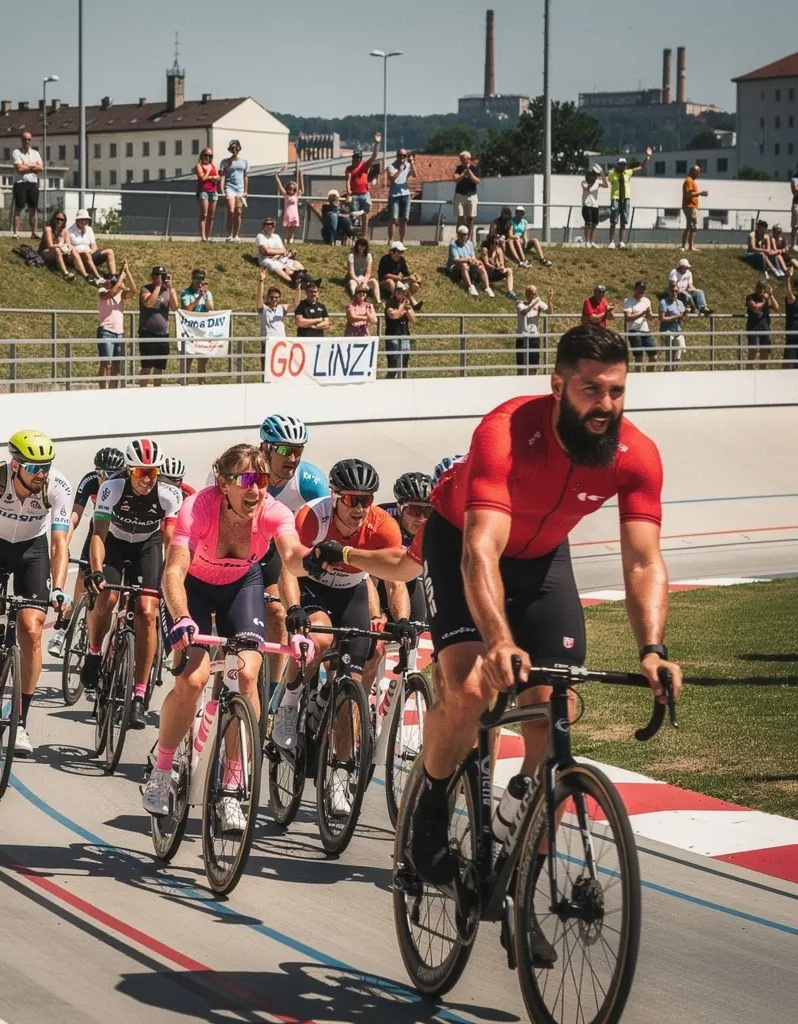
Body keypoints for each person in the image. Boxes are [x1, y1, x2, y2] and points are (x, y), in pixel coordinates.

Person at [305, 323, 683, 962]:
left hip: (541, 562)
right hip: (464, 542)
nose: (606, 405)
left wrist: (653, 648)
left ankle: (520, 876)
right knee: (472, 684)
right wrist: (500, 640)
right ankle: (429, 808)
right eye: (592, 390)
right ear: (557, 386)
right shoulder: (506, 432)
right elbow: (480, 549)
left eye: (617, 391)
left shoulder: (635, 454)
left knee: (555, 708)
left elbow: (643, 559)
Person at [142, 443, 311, 822]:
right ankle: (162, 770)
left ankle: (232, 787)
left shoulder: (274, 511)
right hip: (193, 590)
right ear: (223, 483)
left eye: (262, 480)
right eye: (246, 480)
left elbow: (291, 558)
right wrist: (181, 617)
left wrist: (315, 563)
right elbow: (174, 572)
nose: (256, 489)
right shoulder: (198, 508)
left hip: (241, 586)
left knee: (248, 677)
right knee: (192, 680)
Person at [272, 459, 409, 804]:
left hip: (351, 592)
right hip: (312, 587)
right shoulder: (311, 517)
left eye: (366, 500)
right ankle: (288, 704)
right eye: (351, 500)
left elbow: (395, 580)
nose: (359, 508)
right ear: (334, 496)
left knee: (351, 686)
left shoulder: (383, 526)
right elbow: (289, 567)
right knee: (318, 640)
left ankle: (340, 773)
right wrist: (293, 607)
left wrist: (403, 618)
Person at [0, 430, 72, 756]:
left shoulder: (58, 486)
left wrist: (59, 588)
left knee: (32, 630)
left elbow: (59, 543)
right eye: (34, 468)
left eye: (46, 467)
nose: (41, 474)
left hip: (32, 551)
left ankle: (19, 721)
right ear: (16, 464)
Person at [82, 438, 182, 728]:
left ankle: (138, 694)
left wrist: (171, 578)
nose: (147, 479)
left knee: (147, 612)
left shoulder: (169, 494)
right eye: (140, 472)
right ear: (129, 471)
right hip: (114, 542)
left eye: (153, 472)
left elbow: (170, 541)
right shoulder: (111, 488)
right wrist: (97, 571)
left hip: (146, 547)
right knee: (108, 597)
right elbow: (98, 534)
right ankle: (94, 652)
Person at [251, 415, 330, 685]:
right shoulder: (247, 471)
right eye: (285, 450)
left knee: (277, 612)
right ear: (266, 447)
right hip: (244, 544)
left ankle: (274, 688)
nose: (293, 458)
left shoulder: (310, 481)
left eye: (298, 450)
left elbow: (327, 524)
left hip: (283, 548)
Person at [47, 445, 126, 658]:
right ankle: (64, 626)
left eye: (112, 474)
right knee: (83, 576)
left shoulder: (125, 483)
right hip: (100, 529)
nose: (106, 479)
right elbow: (74, 517)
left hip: (123, 535)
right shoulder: (90, 481)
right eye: (102, 474)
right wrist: (63, 544)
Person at [363, 471, 432, 687]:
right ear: (400, 507)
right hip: (376, 578)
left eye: (427, 511)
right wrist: (375, 614)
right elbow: (369, 572)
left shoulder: (434, 525)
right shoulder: (381, 519)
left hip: (408, 581)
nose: (421, 518)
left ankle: (401, 688)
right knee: (373, 647)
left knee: (413, 632)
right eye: (414, 511)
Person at [97, 260, 135, 388]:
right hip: (106, 331)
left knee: (116, 364)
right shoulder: (102, 290)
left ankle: (113, 390)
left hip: (119, 333)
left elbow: (134, 290)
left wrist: (127, 272)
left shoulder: (121, 294)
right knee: (106, 363)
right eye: (111, 280)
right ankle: (103, 390)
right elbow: (110, 294)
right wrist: (120, 279)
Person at [138, 265, 179, 385]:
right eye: (158, 275)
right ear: (153, 276)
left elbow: (175, 307)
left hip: (163, 335)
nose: (160, 278)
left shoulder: (167, 291)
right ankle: (142, 391)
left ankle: (157, 390)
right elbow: (149, 303)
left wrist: (171, 289)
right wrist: (157, 286)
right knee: (146, 367)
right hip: (148, 333)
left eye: (163, 276)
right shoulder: (146, 288)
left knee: (159, 368)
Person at [608, 149, 652, 249]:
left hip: (625, 198)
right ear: (617, 165)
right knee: (613, 221)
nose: (622, 166)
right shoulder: (612, 174)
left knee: (623, 221)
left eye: (624, 164)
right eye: (620, 164)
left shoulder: (627, 173)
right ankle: (611, 242)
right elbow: (605, 180)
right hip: (616, 198)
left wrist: (648, 157)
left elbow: (641, 167)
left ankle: (621, 242)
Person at [179, 268, 216, 379]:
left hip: (203, 333)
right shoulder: (186, 292)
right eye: (197, 278)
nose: (199, 280)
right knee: (187, 362)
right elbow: (187, 309)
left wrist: (204, 295)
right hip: (189, 332)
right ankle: (184, 384)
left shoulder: (207, 293)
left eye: (202, 278)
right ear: (192, 278)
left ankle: (201, 384)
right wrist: (198, 297)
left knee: (202, 364)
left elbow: (211, 308)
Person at [257, 269, 300, 359]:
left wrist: (298, 288)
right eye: (271, 297)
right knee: (266, 367)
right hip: (268, 344)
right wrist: (261, 281)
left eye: (276, 297)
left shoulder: (282, 308)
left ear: (279, 298)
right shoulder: (263, 309)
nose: (274, 299)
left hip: (281, 344)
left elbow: (295, 304)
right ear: (267, 297)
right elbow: (259, 298)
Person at [345, 133, 380, 239]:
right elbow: (348, 180)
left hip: (365, 193)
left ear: (360, 158)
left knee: (366, 214)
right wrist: (348, 192)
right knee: (354, 216)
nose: (357, 160)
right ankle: (354, 237)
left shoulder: (364, 166)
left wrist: (377, 143)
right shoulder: (349, 169)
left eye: (358, 158)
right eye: (355, 158)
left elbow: (374, 156)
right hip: (355, 194)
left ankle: (363, 236)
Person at [69, 210, 116, 285]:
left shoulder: (89, 229)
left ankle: (113, 276)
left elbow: (94, 246)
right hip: (79, 257)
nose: (84, 222)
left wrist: (90, 252)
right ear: (77, 220)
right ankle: (98, 277)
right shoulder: (70, 231)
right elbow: (70, 248)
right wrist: (84, 253)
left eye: (86, 220)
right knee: (86, 255)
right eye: (82, 219)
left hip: (90, 254)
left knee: (110, 251)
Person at [256, 216, 306, 286]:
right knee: (275, 265)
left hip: (280, 257)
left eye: (272, 224)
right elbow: (267, 251)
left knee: (296, 263)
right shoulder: (260, 236)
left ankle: (307, 280)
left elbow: (284, 250)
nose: (270, 226)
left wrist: (277, 252)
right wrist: (279, 251)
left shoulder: (276, 236)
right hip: (266, 258)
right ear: (264, 226)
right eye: (268, 224)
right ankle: (291, 282)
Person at [514, 285, 552, 375]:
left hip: (534, 338)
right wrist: (535, 303)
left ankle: (532, 381)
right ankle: (520, 382)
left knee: (533, 365)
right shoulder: (519, 303)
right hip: (522, 337)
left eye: (535, 293)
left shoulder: (537, 302)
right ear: (526, 293)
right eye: (532, 294)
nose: (534, 296)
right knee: (521, 367)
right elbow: (524, 312)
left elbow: (549, 311)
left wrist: (549, 299)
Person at [11, 131, 43, 238]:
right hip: (20, 183)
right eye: (25, 139)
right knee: (18, 208)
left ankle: (33, 233)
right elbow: (19, 168)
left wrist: (26, 165)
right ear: (22, 140)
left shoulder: (35, 153)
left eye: (29, 139)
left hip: (33, 183)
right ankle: (15, 233)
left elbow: (41, 168)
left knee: (33, 208)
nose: (27, 141)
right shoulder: (16, 152)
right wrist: (33, 166)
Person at [447, 225, 491, 297]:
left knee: (480, 265)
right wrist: (467, 260)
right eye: (462, 234)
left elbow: (473, 257)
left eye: (466, 234)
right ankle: (470, 287)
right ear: (458, 234)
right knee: (463, 264)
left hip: (469, 265)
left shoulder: (470, 243)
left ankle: (487, 288)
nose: (464, 236)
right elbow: (455, 259)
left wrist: (476, 261)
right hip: (455, 267)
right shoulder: (453, 244)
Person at [623, 280, 657, 371]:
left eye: (643, 290)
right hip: (633, 331)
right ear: (635, 289)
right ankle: (638, 375)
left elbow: (650, 318)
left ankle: (649, 375)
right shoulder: (628, 301)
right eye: (640, 289)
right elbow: (628, 318)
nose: (642, 292)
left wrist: (649, 314)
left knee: (654, 356)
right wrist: (642, 313)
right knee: (639, 356)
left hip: (645, 330)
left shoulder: (647, 301)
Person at [219, 140, 249, 242]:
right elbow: (222, 176)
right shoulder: (225, 161)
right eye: (232, 148)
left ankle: (236, 235)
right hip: (230, 187)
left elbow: (245, 177)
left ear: (239, 148)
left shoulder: (244, 161)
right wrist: (222, 189)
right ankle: (229, 235)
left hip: (240, 189)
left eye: (236, 147)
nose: (234, 149)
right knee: (231, 211)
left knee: (238, 212)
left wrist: (246, 191)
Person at [384, 283, 415, 379]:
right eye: (400, 292)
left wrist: (407, 309)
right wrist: (402, 307)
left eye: (404, 292)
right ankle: (388, 385)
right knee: (393, 365)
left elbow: (413, 319)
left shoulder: (406, 303)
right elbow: (394, 315)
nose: (402, 294)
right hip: (393, 337)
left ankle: (402, 384)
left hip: (405, 336)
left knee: (404, 366)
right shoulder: (390, 302)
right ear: (396, 292)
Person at [745, 280, 778, 368]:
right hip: (753, 329)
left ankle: (763, 373)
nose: (760, 290)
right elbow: (755, 307)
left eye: (762, 288)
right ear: (756, 288)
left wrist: (771, 295)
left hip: (765, 329)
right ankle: (748, 372)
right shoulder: (750, 297)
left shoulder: (767, 299)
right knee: (753, 351)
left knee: (765, 353)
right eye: (759, 287)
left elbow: (776, 307)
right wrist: (764, 301)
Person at [387, 149, 418, 244]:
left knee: (404, 219)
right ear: (397, 156)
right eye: (400, 155)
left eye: (404, 155)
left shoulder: (408, 165)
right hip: (394, 196)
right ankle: (390, 240)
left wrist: (412, 163)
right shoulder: (391, 166)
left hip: (405, 196)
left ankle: (402, 240)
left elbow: (415, 175)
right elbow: (392, 178)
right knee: (394, 218)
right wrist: (400, 170)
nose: (402, 157)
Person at [38, 211, 79, 281]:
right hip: (45, 252)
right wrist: (60, 244)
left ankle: (82, 272)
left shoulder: (64, 230)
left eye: (62, 220)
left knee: (74, 251)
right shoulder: (48, 229)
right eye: (57, 219)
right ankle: (65, 274)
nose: (59, 221)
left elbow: (68, 244)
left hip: (59, 252)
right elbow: (50, 245)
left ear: (64, 221)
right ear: (54, 219)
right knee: (57, 249)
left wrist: (68, 248)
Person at [659, 281, 688, 371]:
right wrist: (675, 317)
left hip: (678, 331)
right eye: (672, 291)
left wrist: (686, 313)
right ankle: (668, 369)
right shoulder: (663, 302)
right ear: (668, 291)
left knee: (679, 352)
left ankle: (673, 368)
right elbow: (662, 318)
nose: (674, 293)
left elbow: (684, 318)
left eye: (676, 291)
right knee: (670, 356)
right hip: (667, 331)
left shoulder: (680, 303)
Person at [480, 233, 517, 301]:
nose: (496, 245)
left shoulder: (497, 251)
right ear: (490, 243)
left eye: (497, 243)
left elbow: (499, 263)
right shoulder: (485, 250)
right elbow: (486, 263)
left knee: (509, 270)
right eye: (495, 243)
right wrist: (495, 266)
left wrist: (500, 266)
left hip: (493, 273)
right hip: (485, 274)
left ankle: (510, 291)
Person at [452, 151, 481, 235]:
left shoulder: (475, 169)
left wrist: (470, 172)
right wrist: (463, 174)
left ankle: (468, 238)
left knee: (470, 218)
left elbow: (477, 181)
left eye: (463, 159)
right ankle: (459, 236)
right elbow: (455, 179)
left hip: (471, 196)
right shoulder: (459, 168)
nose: (461, 160)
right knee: (460, 218)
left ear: (468, 159)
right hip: (460, 195)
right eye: (460, 159)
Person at [195, 146, 220, 241]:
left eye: (210, 156)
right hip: (203, 191)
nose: (208, 157)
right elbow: (202, 178)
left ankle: (208, 236)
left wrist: (215, 178)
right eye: (206, 155)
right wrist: (210, 175)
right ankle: (203, 237)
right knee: (204, 214)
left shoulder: (213, 166)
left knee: (211, 215)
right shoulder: (199, 165)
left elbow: (217, 178)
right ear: (202, 155)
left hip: (213, 192)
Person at [681, 165, 708, 252]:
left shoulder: (690, 180)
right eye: (698, 172)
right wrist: (700, 193)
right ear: (694, 172)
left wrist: (699, 194)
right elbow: (688, 195)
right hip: (690, 206)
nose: (698, 174)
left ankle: (684, 246)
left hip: (690, 206)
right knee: (693, 227)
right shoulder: (689, 181)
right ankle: (690, 246)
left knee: (689, 227)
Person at [346, 237, 381, 304]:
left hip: (364, 279)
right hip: (354, 279)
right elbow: (351, 273)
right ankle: (354, 298)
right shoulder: (351, 256)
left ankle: (378, 301)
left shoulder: (368, 256)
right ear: (357, 245)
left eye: (363, 245)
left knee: (374, 281)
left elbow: (368, 274)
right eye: (360, 245)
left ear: (366, 247)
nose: (361, 247)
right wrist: (358, 281)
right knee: (352, 284)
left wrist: (364, 282)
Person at [580, 165, 608, 248]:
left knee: (594, 224)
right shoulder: (584, 182)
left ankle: (592, 242)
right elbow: (587, 189)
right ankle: (587, 241)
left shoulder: (597, 182)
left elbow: (606, 185)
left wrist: (602, 173)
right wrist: (590, 182)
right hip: (587, 205)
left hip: (595, 205)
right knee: (588, 223)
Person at [275, 167, 304, 245]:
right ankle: (282, 242)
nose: (291, 190)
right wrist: (277, 174)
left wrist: (301, 175)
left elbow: (302, 189)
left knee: (293, 229)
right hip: (287, 215)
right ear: (287, 189)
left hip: (294, 215)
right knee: (285, 231)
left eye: (293, 189)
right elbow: (280, 185)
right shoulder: (286, 195)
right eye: (289, 189)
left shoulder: (296, 195)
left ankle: (289, 239)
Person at [783, 261, 797, 368]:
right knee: (789, 362)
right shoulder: (792, 300)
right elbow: (789, 293)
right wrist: (787, 277)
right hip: (793, 334)